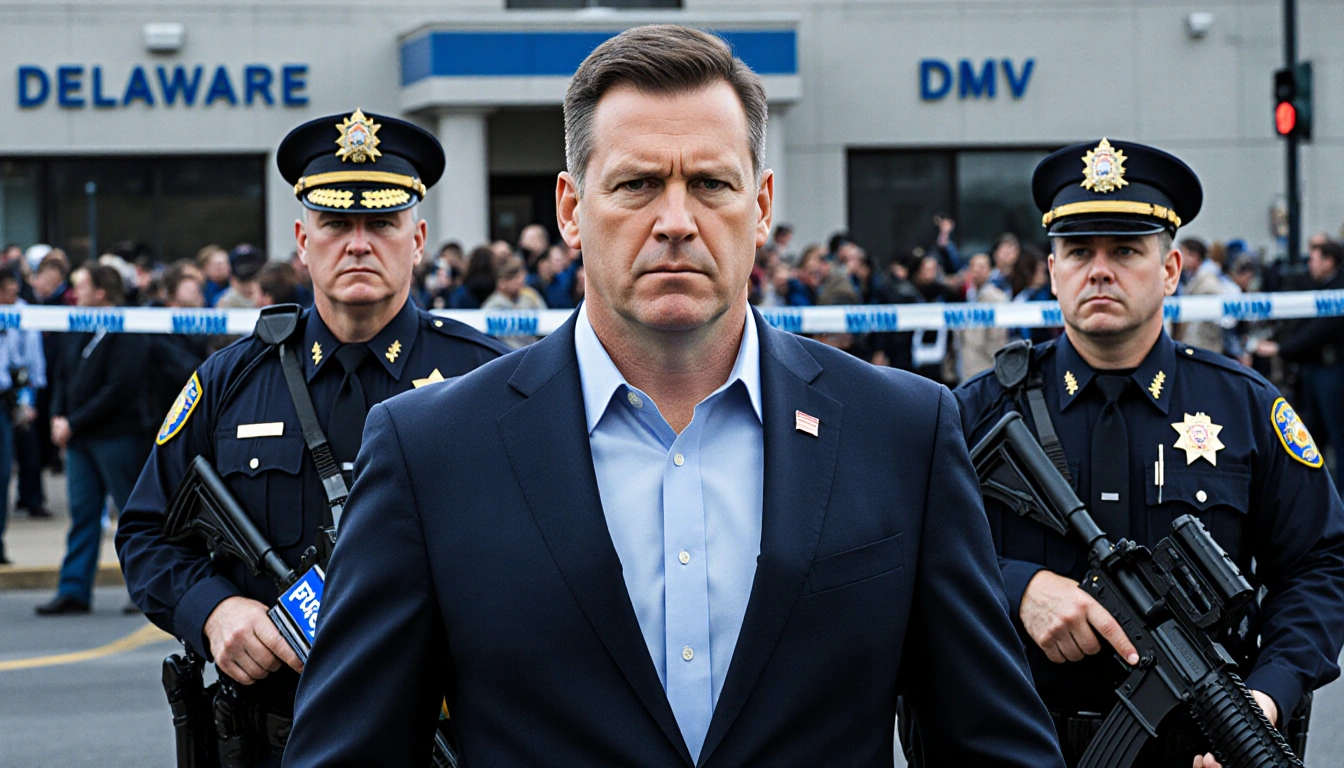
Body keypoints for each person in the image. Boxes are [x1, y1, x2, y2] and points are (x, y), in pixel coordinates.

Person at [284, 25, 1063, 768]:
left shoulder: (902, 433)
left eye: (711, 183)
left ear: (759, 207)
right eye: (638, 184)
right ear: (569, 209)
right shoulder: (431, 452)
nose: (677, 222)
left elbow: (991, 745)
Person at [115, 109, 510, 766]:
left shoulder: (489, 378)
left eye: (382, 223)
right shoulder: (230, 380)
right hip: (273, 737)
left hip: (441, 736)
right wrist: (213, 612)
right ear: (303, 240)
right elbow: (145, 532)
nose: (359, 243)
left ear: (418, 240)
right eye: (335, 225)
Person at [954, 139, 1344, 768]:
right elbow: (913, 551)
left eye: (1126, 251)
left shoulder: (1244, 407)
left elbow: (1320, 565)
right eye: (1078, 252)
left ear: (1170, 270)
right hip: (1016, 745)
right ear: (1052, 271)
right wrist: (1016, 588)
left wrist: (1265, 699)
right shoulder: (980, 412)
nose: (1099, 271)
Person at [35, 266, 152, 614]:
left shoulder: (127, 330)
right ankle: (74, 588)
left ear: (101, 292)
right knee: (83, 513)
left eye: (81, 287)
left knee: (131, 515)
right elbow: (63, 376)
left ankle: (145, 588)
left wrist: (74, 420)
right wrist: (58, 415)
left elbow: (120, 387)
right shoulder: (80, 326)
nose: (75, 294)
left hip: (116, 436)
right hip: (80, 439)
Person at [1252, 239, 1344, 493]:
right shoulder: (1316, 287)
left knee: (1337, 435)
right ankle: (1313, 492)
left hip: (1332, 371)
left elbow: (1320, 330)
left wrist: (1282, 349)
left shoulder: (1338, 289)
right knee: (1309, 437)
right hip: (1312, 371)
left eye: (1314, 259)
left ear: (1329, 261)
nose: (1309, 265)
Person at [0, 269, 45, 564]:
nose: (14, 291)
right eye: (8, 287)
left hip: (5, 399)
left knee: (3, 472)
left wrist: (29, 398)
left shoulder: (21, 314)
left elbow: (30, 359)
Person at [482, 254, 546, 348]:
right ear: (502, 282)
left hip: (531, 351)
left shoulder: (530, 297)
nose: (520, 281)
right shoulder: (492, 305)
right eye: (515, 278)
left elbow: (545, 320)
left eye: (521, 278)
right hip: (503, 354)